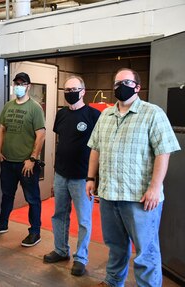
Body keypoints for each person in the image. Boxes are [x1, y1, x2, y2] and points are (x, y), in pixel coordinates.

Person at [86, 68, 180, 287]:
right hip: (109, 195)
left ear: (137, 87)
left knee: (145, 252)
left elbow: (163, 152)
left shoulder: (152, 113)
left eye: (126, 82)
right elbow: (95, 149)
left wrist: (155, 188)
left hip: (139, 197)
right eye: (117, 83)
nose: (121, 87)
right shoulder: (106, 115)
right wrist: (90, 178)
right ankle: (112, 281)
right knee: (115, 245)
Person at [43, 76, 100, 276]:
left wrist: (93, 178)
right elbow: (62, 141)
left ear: (83, 91)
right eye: (67, 89)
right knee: (59, 215)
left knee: (84, 220)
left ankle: (81, 258)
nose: (70, 92)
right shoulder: (61, 114)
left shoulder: (94, 115)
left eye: (74, 89)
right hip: (61, 174)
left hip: (82, 178)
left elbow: (99, 148)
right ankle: (60, 250)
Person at [0, 72, 46, 247]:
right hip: (8, 161)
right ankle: (2, 223)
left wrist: (33, 159)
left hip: (26, 163)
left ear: (28, 86)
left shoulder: (35, 108)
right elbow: (1, 129)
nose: (18, 86)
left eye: (21, 83)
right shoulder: (8, 106)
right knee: (7, 195)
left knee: (32, 199)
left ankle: (35, 232)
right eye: (16, 83)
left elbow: (40, 135)